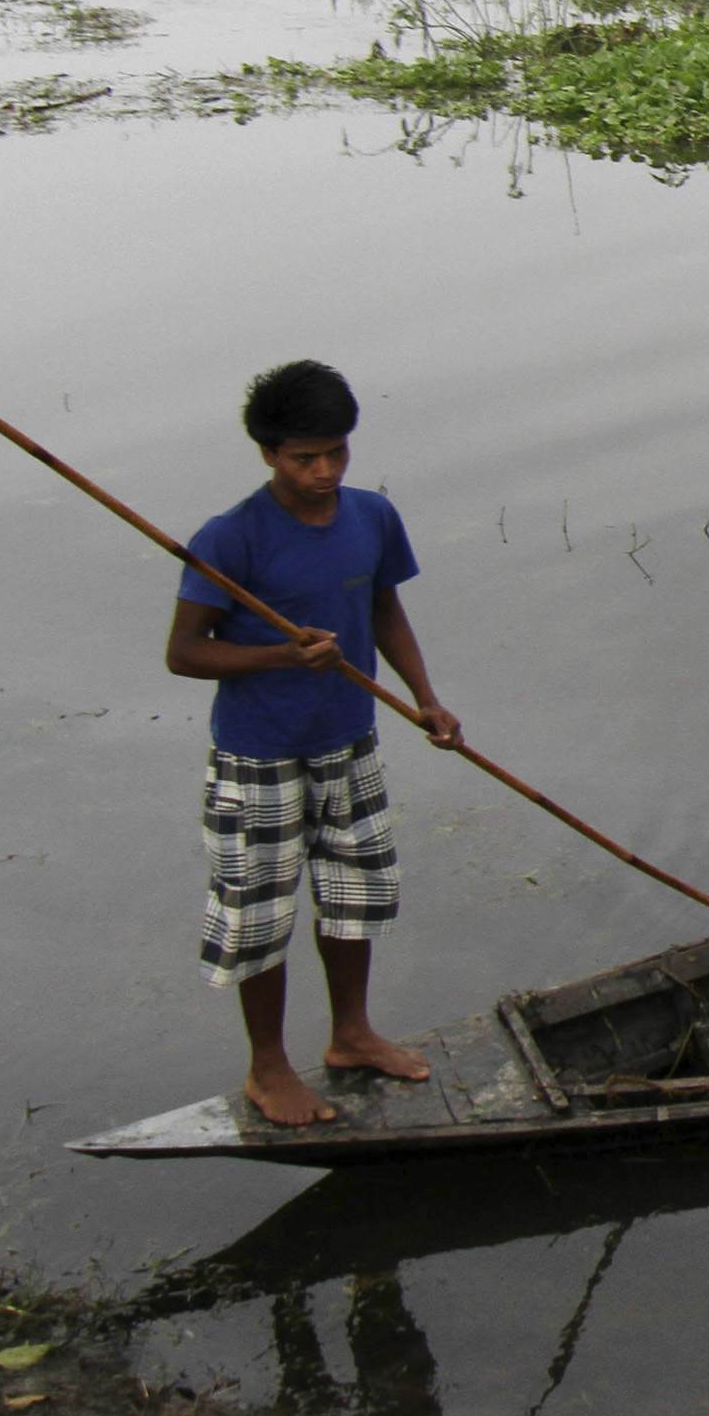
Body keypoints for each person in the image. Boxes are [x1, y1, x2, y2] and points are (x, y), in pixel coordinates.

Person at [162, 359, 460, 1129]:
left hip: (348, 738)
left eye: (336, 452)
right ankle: (268, 1069)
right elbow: (186, 653)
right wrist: (278, 655)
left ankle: (352, 1034)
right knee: (260, 914)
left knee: (355, 894)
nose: (323, 472)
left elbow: (384, 609)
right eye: (304, 458)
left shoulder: (371, 516)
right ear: (267, 453)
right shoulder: (230, 539)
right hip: (259, 753)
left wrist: (426, 700)